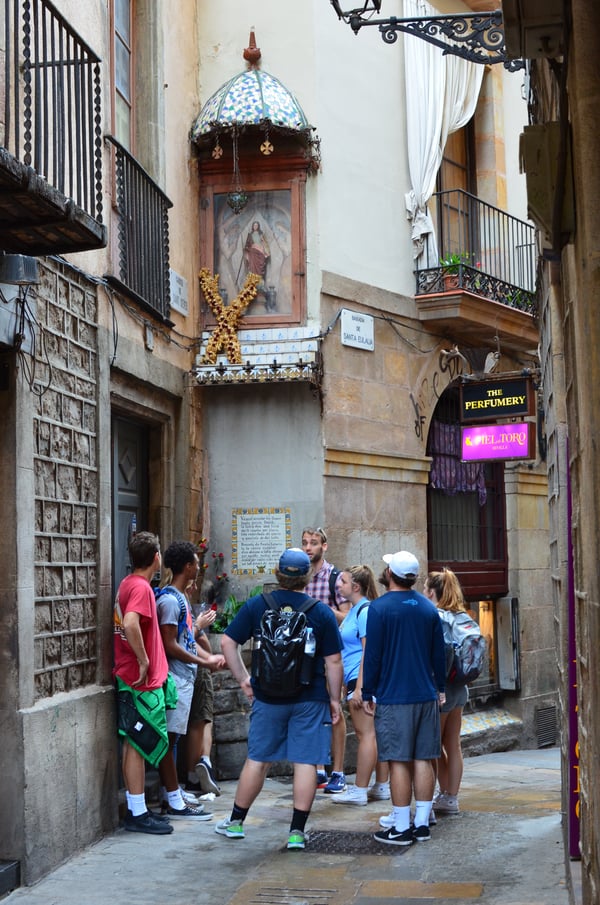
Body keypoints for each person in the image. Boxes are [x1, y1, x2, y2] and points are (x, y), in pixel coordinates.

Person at [214, 547, 344, 850]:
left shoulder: (258, 605)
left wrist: (245, 679)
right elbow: (334, 662)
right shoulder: (321, 612)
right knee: (305, 762)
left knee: (258, 760)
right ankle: (297, 832)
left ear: (278, 573)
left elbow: (226, 642)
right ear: (307, 576)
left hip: (268, 696)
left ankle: (235, 823)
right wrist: (334, 699)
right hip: (310, 697)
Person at [362, 550, 447, 846]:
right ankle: (421, 823)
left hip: (394, 695)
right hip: (425, 694)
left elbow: (372, 655)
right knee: (424, 757)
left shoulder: (379, 608)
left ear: (390, 574)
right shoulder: (427, 608)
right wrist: (441, 688)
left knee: (398, 760)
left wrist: (367, 691)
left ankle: (400, 826)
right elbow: (440, 653)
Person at [155, 541, 224, 819]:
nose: (199, 566)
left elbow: (188, 637)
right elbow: (170, 644)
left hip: (184, 677)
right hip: (175, 678)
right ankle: (171, 797)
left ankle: (172, 791)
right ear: (187, 566)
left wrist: (207, 657)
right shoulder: (171, 601)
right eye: (196, 562)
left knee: (173, 740)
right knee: (169, 740)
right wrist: (204, 660)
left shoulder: (180, 597)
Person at [113, 531, 173, 835]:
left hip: (130, 676)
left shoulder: (128, 584)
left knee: (133, 742)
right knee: (136, 743)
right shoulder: (140, 588)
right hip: (138, 679)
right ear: (155, 558)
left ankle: (138, 808)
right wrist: (144, 659)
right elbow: (131, 622)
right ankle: (137, 812)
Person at [330, 565, 384, 806]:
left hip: (360, 680)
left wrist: (360, 688)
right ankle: (381, 785)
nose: (338, 585)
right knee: (373, 735)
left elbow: (367, 651)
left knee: (366, 735)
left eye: (342, 581)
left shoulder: (364, 611)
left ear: (356, 586)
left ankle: (360, 789)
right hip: (352, 678)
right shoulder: (354, 611)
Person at [301, 526, 349, 794]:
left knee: (335, 712)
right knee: (313, 711)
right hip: (304, 656)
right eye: (305, 543)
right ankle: (318, 768)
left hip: (329, 654)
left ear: (324, 546)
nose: (309, 547)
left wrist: (321, 611)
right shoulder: (301, 577)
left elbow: (347, 616)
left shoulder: (334, 577)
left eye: (314, 543)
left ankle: (338, 771)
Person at [424, 568, 470, 815]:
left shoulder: (438, 617)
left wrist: (437, 686)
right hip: (460, 689)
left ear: (431, 592)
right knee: (453, 745)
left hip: (442, 692)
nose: (422, 590)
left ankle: (434, 797)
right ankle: (450, 797)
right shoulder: (460, 615)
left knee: (432, 746)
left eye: (424, 587)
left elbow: (444, 652)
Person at [185, 582, 223, 796]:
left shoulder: (183, 603)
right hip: (194, 668)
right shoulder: (176, 601)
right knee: (201, 719)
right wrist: (208, 659)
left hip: (199, 665)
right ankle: (200, 767)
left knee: (202, 718)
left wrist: (209, 658)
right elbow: (185, 639)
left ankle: (202, 766)